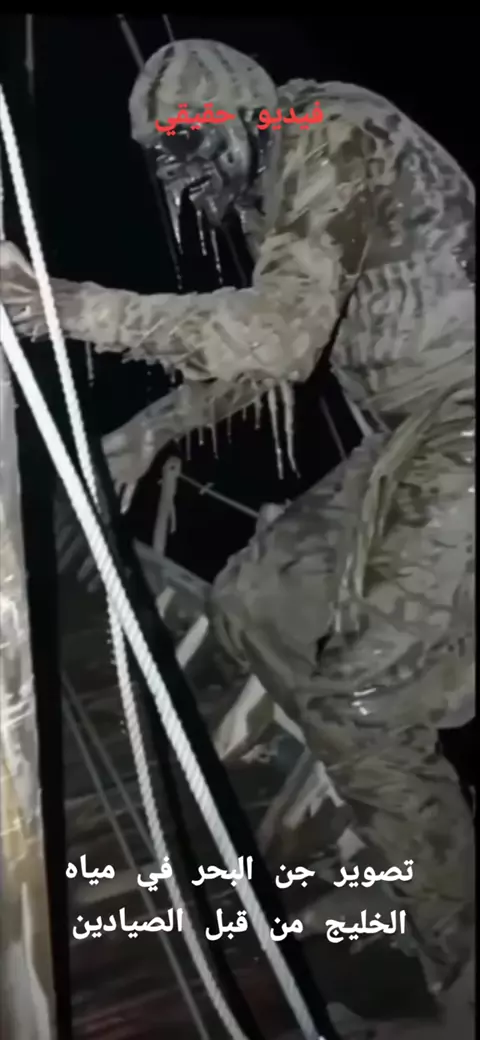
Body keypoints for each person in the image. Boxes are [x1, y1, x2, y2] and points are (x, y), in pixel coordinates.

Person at [1, 37, 474, 1023]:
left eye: (186, 143)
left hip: (463, 414)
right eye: (161, 157)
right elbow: (268, 350)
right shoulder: (275, 179)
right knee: (257, 600)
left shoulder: (325, 128)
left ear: (235, 113)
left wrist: (71, 309)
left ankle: (461, 961)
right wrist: (148, 433)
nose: (179, 174)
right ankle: (392, 819)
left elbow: (279, 335)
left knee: (367, 700)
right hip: (412, 431)